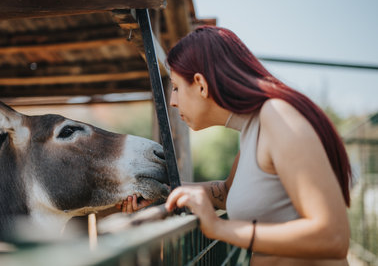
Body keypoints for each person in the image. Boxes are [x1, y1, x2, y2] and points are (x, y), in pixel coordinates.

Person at [121, 26, 351, 265]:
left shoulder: (278, 117)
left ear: (201, 84)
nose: (172, 101)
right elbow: (228, 194)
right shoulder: (253, 130)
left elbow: (333, 237)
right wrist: (161, 191)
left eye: (177, 87)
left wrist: (219, 228)